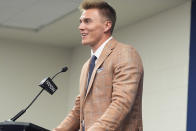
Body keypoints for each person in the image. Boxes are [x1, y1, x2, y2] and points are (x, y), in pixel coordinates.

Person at [53, 0, 143, 131]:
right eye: (81, 22)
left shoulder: (125, 53)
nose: (81, 27)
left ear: (107, 25)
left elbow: (121, 104)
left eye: (87, 21)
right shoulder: (87, 66)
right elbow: (78, 110)